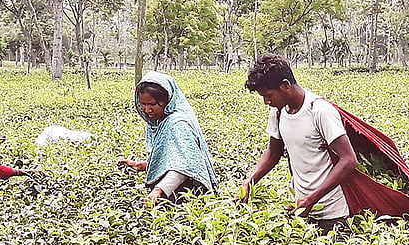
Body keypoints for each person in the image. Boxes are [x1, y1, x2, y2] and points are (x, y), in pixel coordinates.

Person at [240, 54, 358, 233]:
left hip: (332, 212)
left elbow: (349, 160)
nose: (266, 102)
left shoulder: (319, 111)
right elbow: (273, 152)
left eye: (269, 95)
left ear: (285, 85)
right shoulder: (278, 112)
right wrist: (250, 182)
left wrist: (312, 198)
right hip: (302, 209)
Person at [116, 71, 218, 207]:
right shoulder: (159, 122)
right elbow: (171, 159)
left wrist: (159, 190)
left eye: (152, 104)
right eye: (143, 104)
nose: (147, 110)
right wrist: (142, 165)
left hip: (188, 195)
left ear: (166, 101)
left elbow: (184, 167)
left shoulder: (178, 124)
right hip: (170, 191)